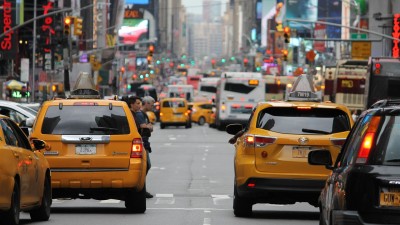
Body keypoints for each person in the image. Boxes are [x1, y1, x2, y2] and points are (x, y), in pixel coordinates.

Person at [128, 96, 154, 198]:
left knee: (146, 165)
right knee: (145, 165)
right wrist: (148, 127)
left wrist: (148, 127)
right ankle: (139, 187)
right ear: (132, 104)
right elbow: (145, 127)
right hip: (141, 143)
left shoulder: (139, 113)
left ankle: (140, 187)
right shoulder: (138, 114)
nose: (140, 105)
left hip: (142, 142)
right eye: (138, 103)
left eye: (140, 103)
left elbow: (148, 127)